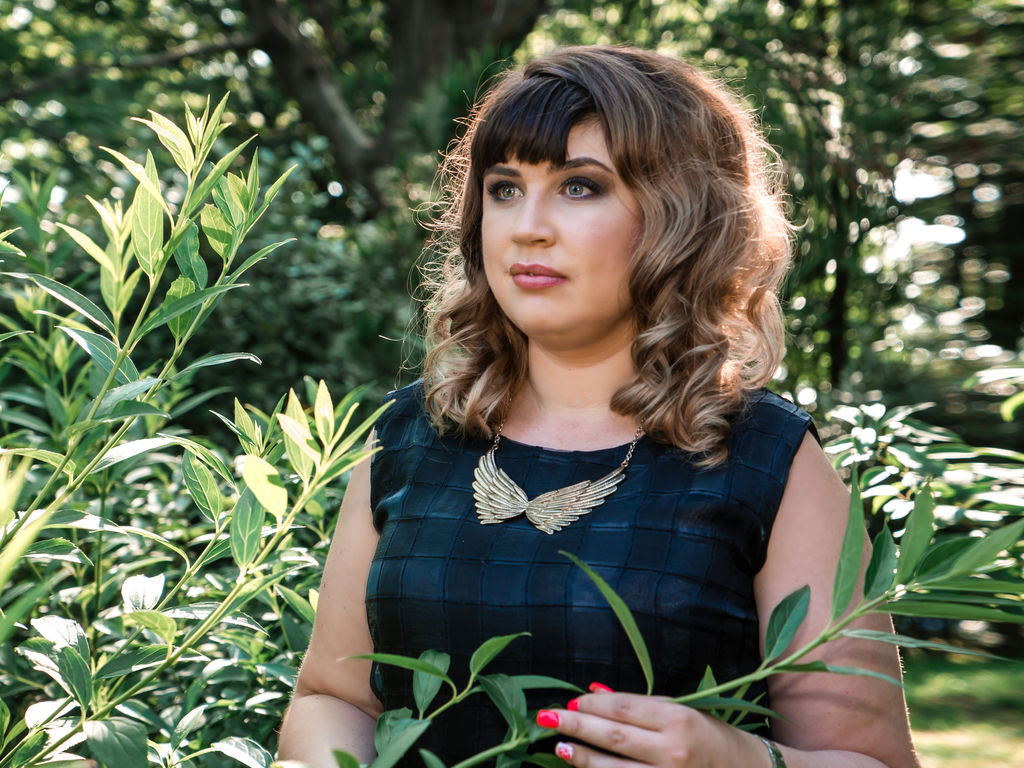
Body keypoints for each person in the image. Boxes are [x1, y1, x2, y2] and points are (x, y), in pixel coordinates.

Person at [278, 45, 920, 768]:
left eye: (579, 187)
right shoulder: (409, 438)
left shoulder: (769, 461)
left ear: (681, 217)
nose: (527, 226)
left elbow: (877, 763)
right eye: (504, 188)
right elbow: (332, 698)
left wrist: (733, 759)